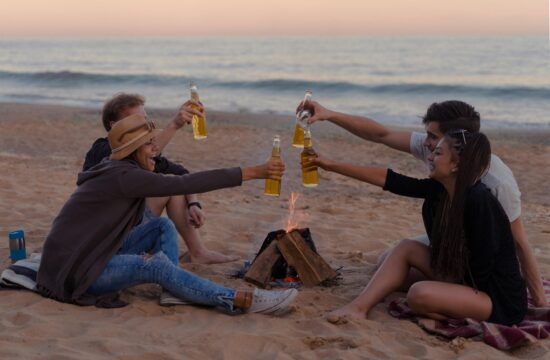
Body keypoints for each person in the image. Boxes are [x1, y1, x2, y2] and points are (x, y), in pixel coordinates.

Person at [37, 113, 297, 314]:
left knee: (162, 227)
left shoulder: (117, 167)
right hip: (77, 273)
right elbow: (185, 184)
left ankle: (174, 290)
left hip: (90, 254)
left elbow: (178, 179)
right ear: (133, 149)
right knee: (155, 265)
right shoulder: (125, 176)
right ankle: (236, 300)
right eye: (149, 145)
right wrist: (252, 172)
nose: (156, 150)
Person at [298, 99, 547, 307]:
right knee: (387, 261)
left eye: (434, 138)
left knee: (418, 287)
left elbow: (518, 243)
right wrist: (328, 116)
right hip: (451, 244)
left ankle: (446, 293)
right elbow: (382, 140)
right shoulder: (442, 168)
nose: (427, 144)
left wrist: (540, 303)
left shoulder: (493, 186)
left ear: (456, 149)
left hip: (481, 268)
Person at [84, 93, 237, 264]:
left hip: (133, 230)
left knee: (174, 187)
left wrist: (194, 203)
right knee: (168, 194)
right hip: (108, 239)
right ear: (114, 126)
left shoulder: (147, 157)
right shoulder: (102, 150)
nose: (145, 125)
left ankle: (198, 252)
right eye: (137, 120)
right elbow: (131, 158)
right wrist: (174, 125)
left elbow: (184, 175)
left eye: (145, 119)